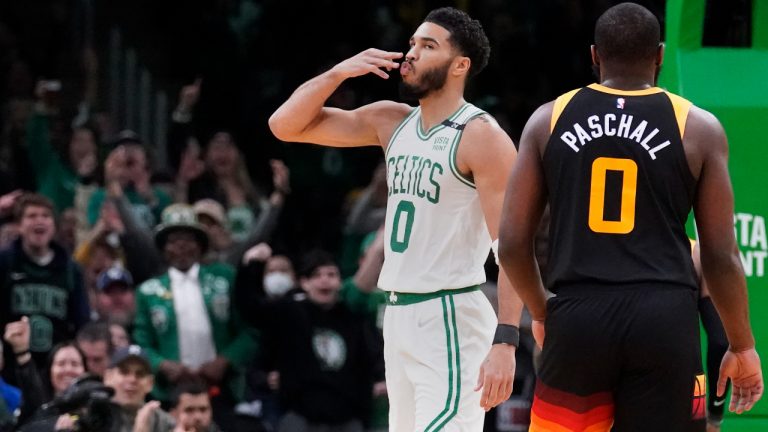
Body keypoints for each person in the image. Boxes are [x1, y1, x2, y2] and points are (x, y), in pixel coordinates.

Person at [497, 3, 763, 431]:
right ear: (659, 55)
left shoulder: (547, 120)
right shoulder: (698, 127)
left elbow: (510, 243)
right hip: (664, 318)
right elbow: (720, 254)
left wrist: (542, 310)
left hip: (578, 313)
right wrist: (742, 345)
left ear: (594, 56)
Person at [269, 7, 522, 429]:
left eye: (428, 46)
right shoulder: (391, 121)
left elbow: (511, 245)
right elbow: (284, 125)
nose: (411, 54)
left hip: (449, 315)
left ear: (460, 65)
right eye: (411, 44)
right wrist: (338, 74)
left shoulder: (481, 136)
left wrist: (507, 340)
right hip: (398, 315)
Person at [0, 194, 90, 370]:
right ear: (19, 226)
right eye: (32, 216)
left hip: (55, 367)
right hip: (10, 365)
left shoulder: (71, 269)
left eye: (45, 216)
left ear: (54, 226)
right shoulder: (5, 263)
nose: (39, 221)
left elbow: (82, 321)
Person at [692, 240, 731, 432]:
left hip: (606, 379)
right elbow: (721, 342)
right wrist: (715, 415)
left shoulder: (606, 249)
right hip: (687, 385)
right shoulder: (695, 253)